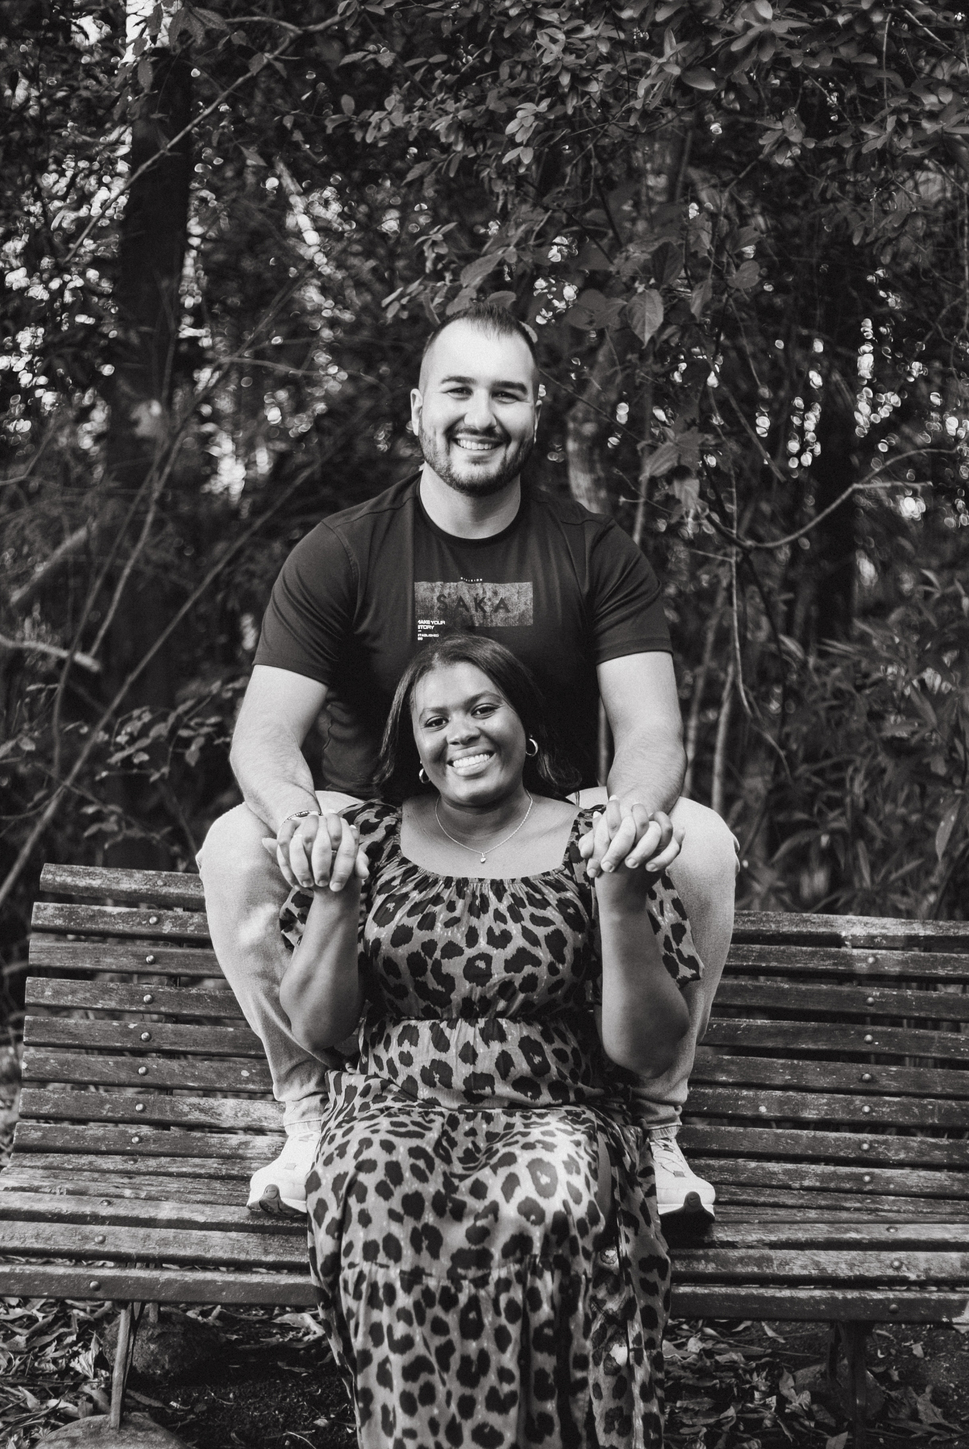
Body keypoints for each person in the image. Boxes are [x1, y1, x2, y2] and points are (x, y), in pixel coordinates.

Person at [198, 300, 737, 1223]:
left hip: (552, 826)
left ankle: (653, 1127)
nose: (480, 416)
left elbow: (651, 733)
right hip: (375, 831)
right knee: (234, 849)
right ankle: (311, 1114)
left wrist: (629, 815)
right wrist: (304, 825)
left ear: (536, 410)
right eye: (457, 391)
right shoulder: (343, 551)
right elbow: (264, 736)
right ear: (418, 407)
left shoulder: (594, 553)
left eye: (505, 394)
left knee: (701, 842)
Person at [278, 635, 699, 1449]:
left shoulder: (602, 839)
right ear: (412, 745)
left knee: (532, 1197)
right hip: (394, 1103)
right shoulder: (363, 839)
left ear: (526, 724)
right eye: (435, 719)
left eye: (482, 708)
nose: (461, 732)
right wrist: (337, 901)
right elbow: (318, 1031)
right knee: (376, 1183)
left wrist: (617, 901)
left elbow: (646, 1051)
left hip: (558, 1108)